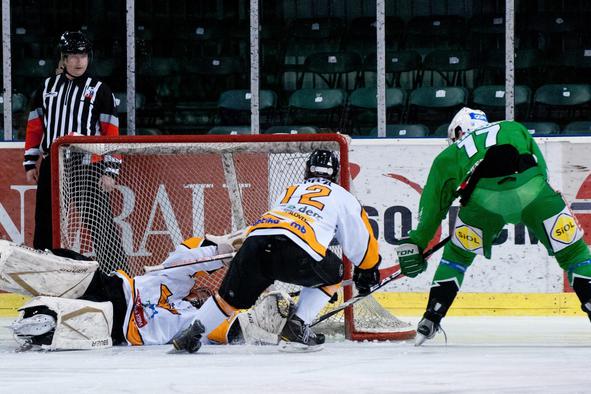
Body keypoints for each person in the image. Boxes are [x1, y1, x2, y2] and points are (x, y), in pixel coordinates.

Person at [395, 107, 591, 346]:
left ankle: (431, 317)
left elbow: (433, 209)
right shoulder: (512, 127)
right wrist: (544, 202)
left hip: (482, 202)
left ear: (459, 131)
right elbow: (541, 170)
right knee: (573, 253)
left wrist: (417, 242)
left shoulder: (448, 157)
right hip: (534, 191)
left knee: (456, 257)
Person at [170, 149, 383, 353]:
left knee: (229, 299)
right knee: (335, 272)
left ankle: (191, 334)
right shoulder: (342, 195)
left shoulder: (290, 190)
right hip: (296, 249)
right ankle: (297, 326)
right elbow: (360, 239)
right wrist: (368, 269)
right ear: (335, 174)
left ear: (308, 170)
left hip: (255, 243)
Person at [3, 231, 294, 351]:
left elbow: (236, 328)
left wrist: (275, 314)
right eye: (205, 294)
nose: (205, 296)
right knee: (55, 266)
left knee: (47, 322)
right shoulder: (180, 282)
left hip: (116, 326)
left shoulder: (199, 322)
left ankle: (42, 319)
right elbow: (191, 253)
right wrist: (227, 248)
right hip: (112, 288)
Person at [23, 30, 125, 271]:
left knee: (99, 222)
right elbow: (35, 126)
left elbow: (111, 132)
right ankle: (44, 272)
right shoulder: (47, 88)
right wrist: (30, 162)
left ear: (88, 58)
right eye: (73, 56)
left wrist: (110, 170)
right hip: (53, 163)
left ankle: (115, 275)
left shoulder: (100, 89)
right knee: (46, 222)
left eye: (83, 55)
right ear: (64, 58)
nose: (79, 61)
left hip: (87, 164)